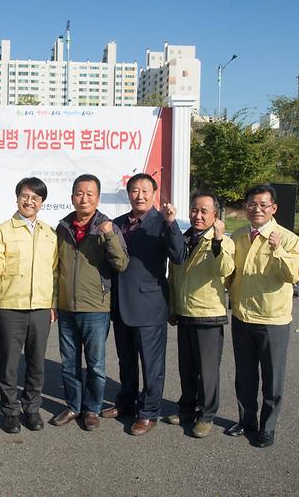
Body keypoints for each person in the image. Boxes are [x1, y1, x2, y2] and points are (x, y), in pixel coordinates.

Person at [102, 173, 185, 436]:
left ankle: (148, 412)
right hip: (120, 303)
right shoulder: (116, 224)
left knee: (151, 364)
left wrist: (171, 223)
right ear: (128, 194)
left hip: (150, 304)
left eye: (145, 191)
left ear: (154, 194)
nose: (140, 195)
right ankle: (126, 402)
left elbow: (179, 255)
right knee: (125, 360)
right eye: (135, 190)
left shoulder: (162, 222)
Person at [226, 184, 299, 447]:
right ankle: (246, 421)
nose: (257, 209)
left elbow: (295, 275)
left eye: (263, 205)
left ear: (274, 208)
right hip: (242, 316)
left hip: (273, 320)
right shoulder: (238, 235)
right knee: (245, 375)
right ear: (245, 207)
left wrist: (278, 250)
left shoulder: (288, 239)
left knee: (272, 379)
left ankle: (267, 427)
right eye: (252, 204)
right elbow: (229, 272)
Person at [49, 174, 129, 431]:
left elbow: (121, 264)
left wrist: (109, 236)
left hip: (95, 308)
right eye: (79, 193)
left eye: (89, 194)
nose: (84, 198)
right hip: (66, 307)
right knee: (69, 362)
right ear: (72, 197)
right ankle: (73, 406)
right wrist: (54, 302)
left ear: (98, 198)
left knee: (95, 364)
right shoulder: (63, 227)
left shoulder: (107, 227)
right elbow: (55, 268)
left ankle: (92, 409)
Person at [0, 177, 58, 434]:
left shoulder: (49, 234)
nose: (29, 201)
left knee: (37, 362)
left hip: (40, 307)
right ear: (17, 199)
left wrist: (52, 303)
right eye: (25, 196)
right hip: (10, 306)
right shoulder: (2, 231)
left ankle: (32, 408)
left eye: (35, 198)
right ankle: (10, 411)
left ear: (42, 202)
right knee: (9, 363)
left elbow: (54, 272)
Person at [165, 191, 235, 438]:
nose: (198, 215)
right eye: (194, 210)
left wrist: (217, 240)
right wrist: (173, 307)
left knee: (207, 371)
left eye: (204, 211)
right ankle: (186, 408)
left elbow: (225, 269)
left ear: (215, 215)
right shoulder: (183, 239)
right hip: (185, 312)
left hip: (208, 314)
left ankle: (206, 415)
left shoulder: (223, 241)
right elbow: (173, 277)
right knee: (187, 368)